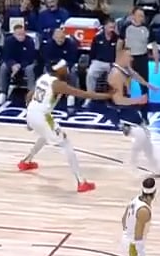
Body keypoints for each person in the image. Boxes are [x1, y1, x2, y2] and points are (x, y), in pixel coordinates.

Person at [16, 60, 109, 193]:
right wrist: (107, 96)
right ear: (58, 70)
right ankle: (81, 182)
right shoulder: (58, 84)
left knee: (45, 135)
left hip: (31, 112)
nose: (67, 69)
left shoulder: (43, 78)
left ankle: (26, 161)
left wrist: (29, 119)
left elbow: (29, 95)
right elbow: (84, 94)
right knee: (66, 143)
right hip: (42, 116)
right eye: (64, 67)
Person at [107, 49, 160, 175]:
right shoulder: (116, 75)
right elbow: (117, 100)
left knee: (146, 135)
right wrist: (138, 100)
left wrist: (149, 85)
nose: (131, 59)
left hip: (126, 108)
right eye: (129, 56)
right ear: (121, 57)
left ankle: (155, 167)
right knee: (141, 135)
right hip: (117, 110)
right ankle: (132, 164)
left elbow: (135, 75)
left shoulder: (124, 68)